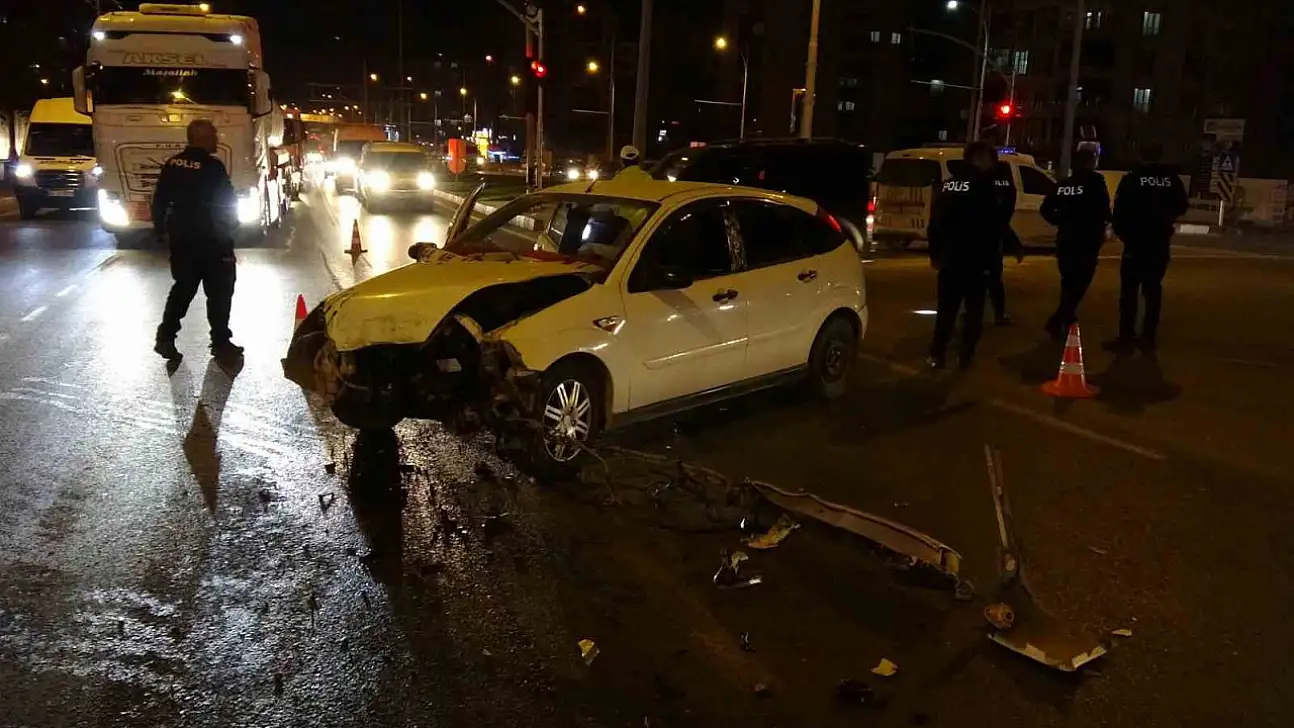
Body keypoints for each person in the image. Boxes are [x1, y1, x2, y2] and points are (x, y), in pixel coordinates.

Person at [152, 119, 243, 362]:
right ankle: (221, 342)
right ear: (201, 138)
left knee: (182, 289)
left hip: (181, 238)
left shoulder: (172, 164)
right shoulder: (212, 167)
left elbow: (159, 199)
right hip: (212, 240)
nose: (217, 140)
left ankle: (165, 337)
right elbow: (227, 202)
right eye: (213, 136)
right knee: (220, 292)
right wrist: (232, 230)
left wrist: (160, 230)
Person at [926, 141, 1012, 370]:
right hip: (975, 262)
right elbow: (994, 226)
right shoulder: (984, 187)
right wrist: (994, 262)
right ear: (979, 159)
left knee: (946, 311)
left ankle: (937, 353)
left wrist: (935, 252)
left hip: (950, 260)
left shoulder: (949, 186)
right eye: (988, 159)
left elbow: (935, 222)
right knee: (973, 313)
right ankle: (965, 357)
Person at [1108, 141, 1188, 352]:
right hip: (1159, 243)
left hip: (1135, 243)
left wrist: (1123, 233)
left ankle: (1126, 336)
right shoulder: (1171, 180)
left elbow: (1119, 210)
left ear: (1141, 155)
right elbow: (1181, 206)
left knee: (1129, 292)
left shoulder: (1132, 179)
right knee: (1153, 291)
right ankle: (1148, 336)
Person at [1040, 147, 1110, 340]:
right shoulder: (1095, 183)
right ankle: (1059, 318)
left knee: (1068, 281)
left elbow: (1046, 209)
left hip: (1065, 239)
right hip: (1087, 240)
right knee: (1081, 281)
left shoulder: (1063, 185)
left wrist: (1061, 220)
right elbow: (1103, 209)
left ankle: (1066, 315)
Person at [986, 156, 1023, 326]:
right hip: (988, 243)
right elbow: (1000, 220)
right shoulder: (987, 186)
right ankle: (998, 314)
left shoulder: (982, 183)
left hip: (976, 243)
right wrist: (1015, 245)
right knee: (993, 279)